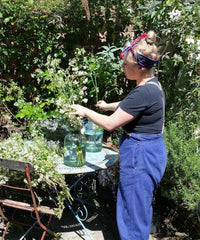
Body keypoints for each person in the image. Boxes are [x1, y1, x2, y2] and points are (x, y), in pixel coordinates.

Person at [69, 30, 167, 240]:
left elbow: (111, 124)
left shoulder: (143, 92)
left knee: (132, 213)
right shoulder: (153, 85)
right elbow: (129, 105)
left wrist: (85, 111)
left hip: (140, 156)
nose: (122, 68)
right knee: (139, 208)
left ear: (140, 67)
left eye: (126, 65)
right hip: (151, 151)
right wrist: (107, 106)